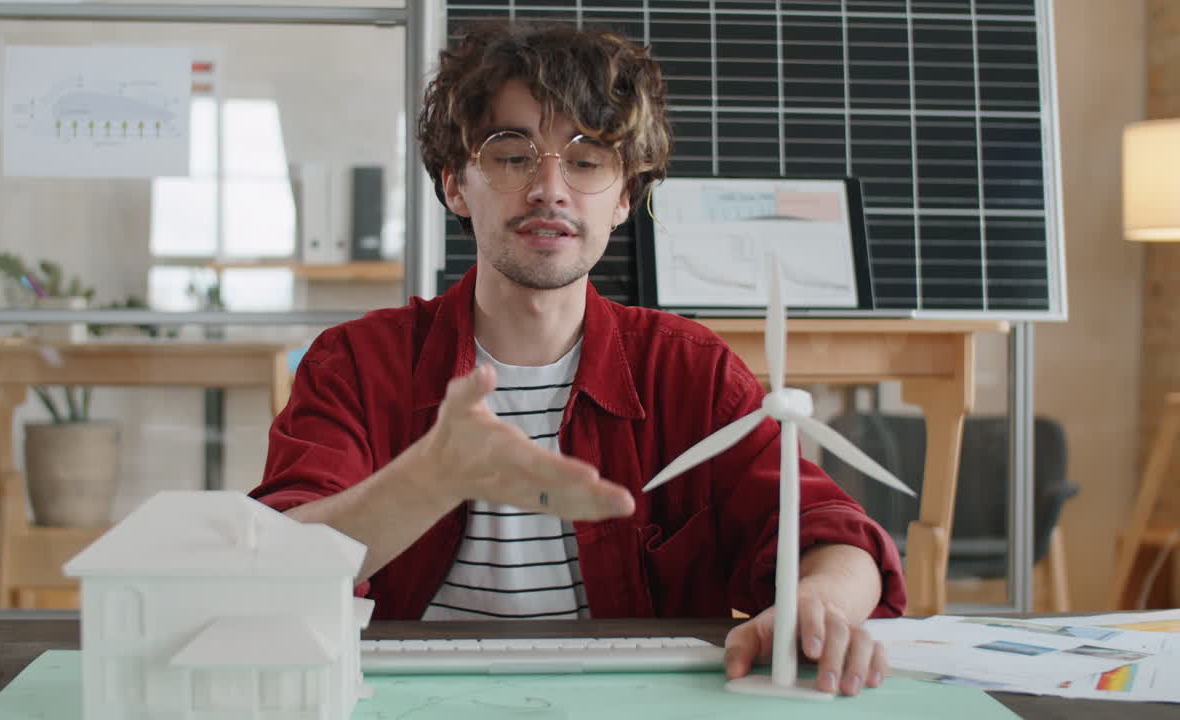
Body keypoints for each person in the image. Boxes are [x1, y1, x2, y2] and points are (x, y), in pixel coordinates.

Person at [252, 20, 906, 697]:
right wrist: (429, 480)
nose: (550, 188)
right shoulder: (355, 364)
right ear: (455, 185)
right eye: (512, 156)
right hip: (406, 699)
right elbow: (268, 567)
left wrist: (818, 606)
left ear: (623, 198)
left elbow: (831, 535)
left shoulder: (690, 371)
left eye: (587, 160)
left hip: (632, 703)